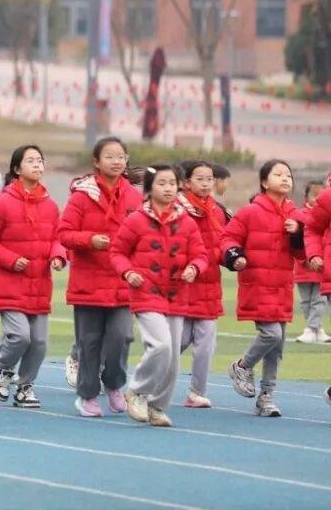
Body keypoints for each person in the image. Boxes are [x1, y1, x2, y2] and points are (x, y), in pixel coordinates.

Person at [110, 165, 205, 428]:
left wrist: (194, 268)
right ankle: (137, 391)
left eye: (172, 183)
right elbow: (117, 252)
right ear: (150, 188)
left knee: (172, 359)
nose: (168, 188)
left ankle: (157, 407)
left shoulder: (187, 222)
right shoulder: (136, 220)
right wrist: (128, 272)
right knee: (161, 345)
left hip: (177, 294)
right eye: (162, 183)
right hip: (146, 292)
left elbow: (200, 254)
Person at [58, 136, 142, 418]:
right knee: (90, 342)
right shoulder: (82, 196)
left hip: (122, 281)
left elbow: (144, 234)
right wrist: (89, 240)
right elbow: (64, 233)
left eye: (121, 156)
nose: (116, 162)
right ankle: (88, 395)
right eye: (109, 156)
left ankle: (114, 385)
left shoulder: (134, 196)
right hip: (89, 282)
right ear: (96, 162)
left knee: (123, 337)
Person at [0, 145, 65, 409]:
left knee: (39, 342)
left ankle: (25, 386)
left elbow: (58, 238)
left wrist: (58, 255)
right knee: (20, 336)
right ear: (17, 169)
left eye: (40, 160)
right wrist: (11, 259)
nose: (37, 165)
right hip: (9, 283)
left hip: (39, 284)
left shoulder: (50, 205)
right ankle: (3, 365)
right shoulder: (2, 202)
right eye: (31, 161)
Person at [223, 159, 304, 418]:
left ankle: (266, 397)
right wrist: (235, 256)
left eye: (288, 175)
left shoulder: (295, 215)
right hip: (257, 284)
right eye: (278, 174)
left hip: (282, 287)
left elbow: (301, 254)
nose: (285, 178)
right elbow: (228, 238)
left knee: (277, 348)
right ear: (264, 182)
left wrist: (297, 233)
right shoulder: (249, 212)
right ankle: (242, 366)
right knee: (272, 335)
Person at [175, 160, 228, 408]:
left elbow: (223, 242)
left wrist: (231, 257)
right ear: (186, 182)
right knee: (177, 342)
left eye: (209, 179)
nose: (206, 184)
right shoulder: (178, 208)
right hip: (184, 283)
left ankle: (197, 392)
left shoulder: (217, 210)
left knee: (206, 344)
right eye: (200, 179)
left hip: (209, 286)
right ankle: (146, 384)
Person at [294, 180, 328, 343]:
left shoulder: (325, 214)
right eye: (314, 195)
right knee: (306, 301)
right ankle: (317, 329)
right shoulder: (299, 216)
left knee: (319, 300)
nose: (317, 199)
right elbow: (296, 242)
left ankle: (311, 328)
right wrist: (304, 259)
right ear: (306, 197)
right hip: (304, 268)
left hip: (322, 266)